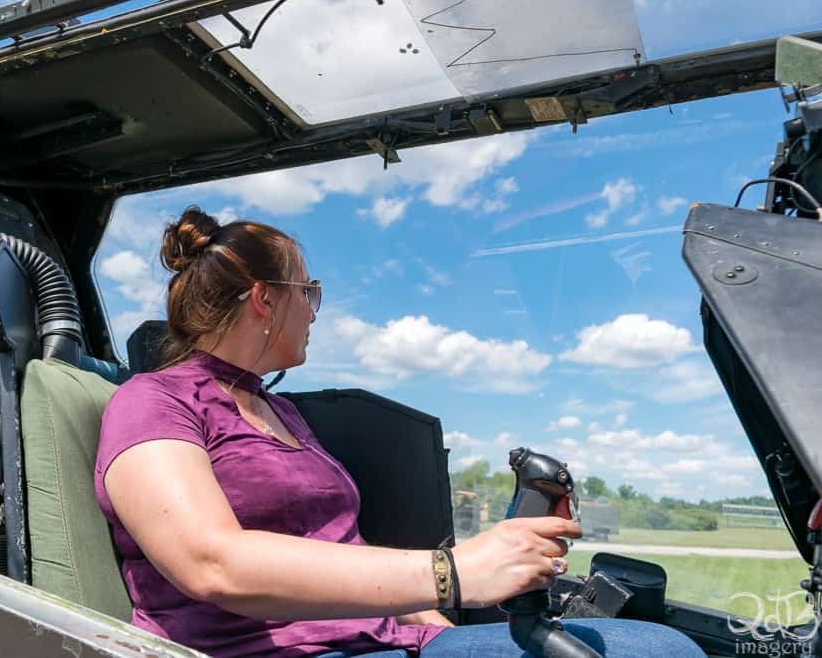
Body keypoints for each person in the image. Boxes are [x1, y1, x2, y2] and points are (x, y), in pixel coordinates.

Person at [94, 207, 706, 658]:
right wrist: (453, 572)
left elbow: (346, 553)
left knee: (655, 645)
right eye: (308, 292)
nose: (313, 309)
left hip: (381, 640)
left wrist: (441, 627)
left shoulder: (283, 413)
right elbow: (211, 562)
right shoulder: (153, 400)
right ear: (263, 299)